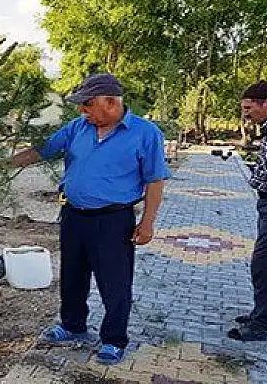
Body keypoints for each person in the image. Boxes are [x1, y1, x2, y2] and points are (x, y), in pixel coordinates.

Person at [9, 73, 169, 364]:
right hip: (72, 216)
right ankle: (72, 326)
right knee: (72, 276)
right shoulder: (76, 128)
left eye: (87, 104)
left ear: (110, 102)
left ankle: (114, 339)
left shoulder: (146, 133)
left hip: (112, 221)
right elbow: (41, 151)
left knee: (114, 282)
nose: (82, 111)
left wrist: (148, 223)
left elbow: (155, 181)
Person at [228, 80, 267, 341]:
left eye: (249, 107)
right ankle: (262, 313)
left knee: (263, 264)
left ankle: (264, 323)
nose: (246, 112)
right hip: (266, 203)